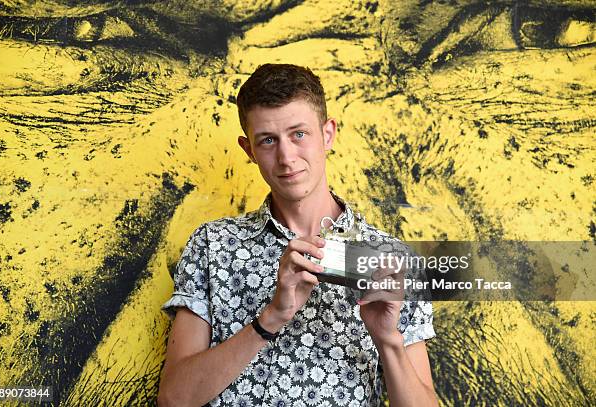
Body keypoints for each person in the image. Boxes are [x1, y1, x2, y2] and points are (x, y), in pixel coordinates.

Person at [157, 64, 438, 407]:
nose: (286, 158)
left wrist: (387, 340)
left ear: (328, 134)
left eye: (299, 134)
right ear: (249, 150)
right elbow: (173, 400)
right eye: (268, 141)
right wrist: (272, 316)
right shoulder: (213, 245)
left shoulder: (391, 258)